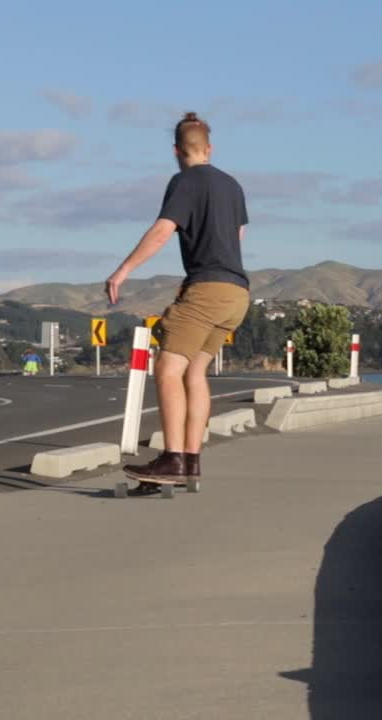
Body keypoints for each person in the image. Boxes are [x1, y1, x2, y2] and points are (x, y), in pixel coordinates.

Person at [105, 111, 250, 496]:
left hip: (207, 287)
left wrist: (123, 270)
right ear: (209, 148)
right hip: (237, 292)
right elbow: (238, 234)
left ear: (175, 150)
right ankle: (191, 460)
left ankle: (171, 459)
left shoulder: (183, 182)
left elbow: (162, 231)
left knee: (167, 366)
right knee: (195, 372)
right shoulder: (233, 186)